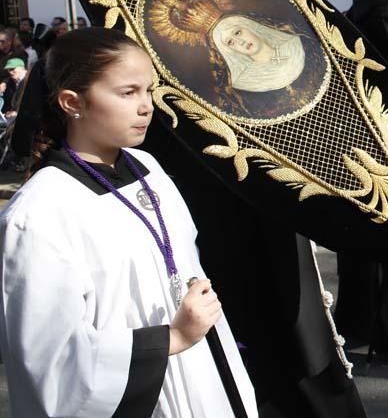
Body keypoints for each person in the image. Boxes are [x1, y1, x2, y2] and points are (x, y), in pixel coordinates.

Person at [0, 28, 257, 416]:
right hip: (138, 394)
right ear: (73, 102)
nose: (146, 106)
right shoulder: (40, 213)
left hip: (201, 375)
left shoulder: (149, 168)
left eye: (149, 90)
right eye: (127, 92)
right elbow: (49, 361)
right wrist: (170, 338)